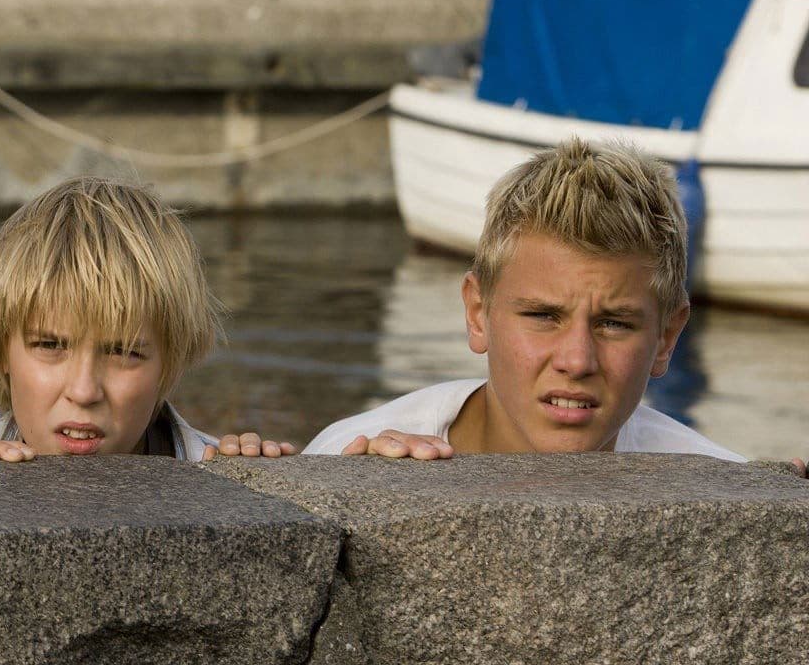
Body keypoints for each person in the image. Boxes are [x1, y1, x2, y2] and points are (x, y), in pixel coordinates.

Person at [305, 138, 745, 460]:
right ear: (478, 313)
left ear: (667, 338)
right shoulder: (344, 456)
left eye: (614, 323)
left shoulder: (729, 490)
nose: (576, 361)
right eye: (542, 316)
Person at [0, 177, 292, 462]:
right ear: (0, 351)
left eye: (123, 351)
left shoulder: (222, 476)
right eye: (50, 345)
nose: (83, 392)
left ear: (172, 361)